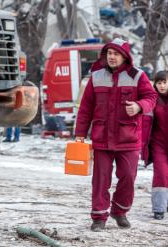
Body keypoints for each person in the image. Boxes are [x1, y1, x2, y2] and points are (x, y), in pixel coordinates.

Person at [74, 38, 157, 231]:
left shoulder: (138, 76)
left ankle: (119, 211)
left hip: (128, 136)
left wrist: (138, 106)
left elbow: (151, 97)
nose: (111, 57)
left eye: (116, 54)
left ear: (124, 56)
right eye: (109, 53)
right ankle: (99, 217)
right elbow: (86, 108)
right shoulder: (96, 76)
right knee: (101, 179)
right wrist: (80, 133)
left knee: (128, 176)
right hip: (102, 137)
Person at [141, 71, 168, 220]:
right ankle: (159, 209)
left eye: (164, 82)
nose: (162, 85)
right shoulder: (153, 99)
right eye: (159, 82)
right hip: (158, 144)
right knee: (161, 174)